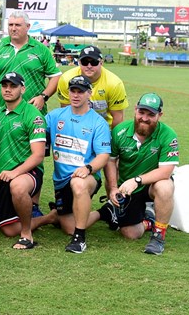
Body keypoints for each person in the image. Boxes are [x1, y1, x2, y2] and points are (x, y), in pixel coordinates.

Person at [0, 72, 52, 249]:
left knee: (18, 186)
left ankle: (26, 234)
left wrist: (15, 173)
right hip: (2, 176)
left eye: (13, 86)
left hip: (28, 172)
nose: (8, 89)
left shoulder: (33, 115)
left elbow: (37, 155)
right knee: (8, 229)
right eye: (5, 86)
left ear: (23, 89)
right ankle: (49, 218)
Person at [95, 93, 179, 255]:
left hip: (150, 185)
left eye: (151, 115)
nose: (145, 118)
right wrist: (113, 188)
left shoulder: (168, 135)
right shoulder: (119, 131)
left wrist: (138, 180)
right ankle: (149, 220)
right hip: (128, 188)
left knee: (165, 186)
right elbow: (111, 161)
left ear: (159, 115)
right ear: (135, 110)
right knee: (130, 234)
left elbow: (166, 171)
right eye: (142, 112)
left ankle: (158, 236)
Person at [45, 75, 111, 253]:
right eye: (72, 91)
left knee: (79, 184)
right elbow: (37, 133)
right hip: (61, 180)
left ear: (89, 94)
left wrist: (88, 168)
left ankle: (79, 238)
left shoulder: (98, 123)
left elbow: (104, 155)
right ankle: (105, 212)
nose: (75, 95)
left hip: (86, 176)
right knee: (68, 226)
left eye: (80, 91)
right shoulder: (54, 116)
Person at [0, 11, 61, 113]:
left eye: (18, 25)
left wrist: (43, 97)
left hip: (33, 114)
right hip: (0, 115)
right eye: (10, 25)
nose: (13, 28)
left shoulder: (41, 49)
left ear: (28, 27)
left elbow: (56, 76)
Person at [57, 45, 128, 128]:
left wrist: (113, 139)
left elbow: (118, 118)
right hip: (76, 127)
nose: (89, 66)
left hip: (104, 129)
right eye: (84, 62)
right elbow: (66, 111)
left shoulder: (114, 84)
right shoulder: (66, 79)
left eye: (94, 62)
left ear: (101, 63)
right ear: (79, 62)